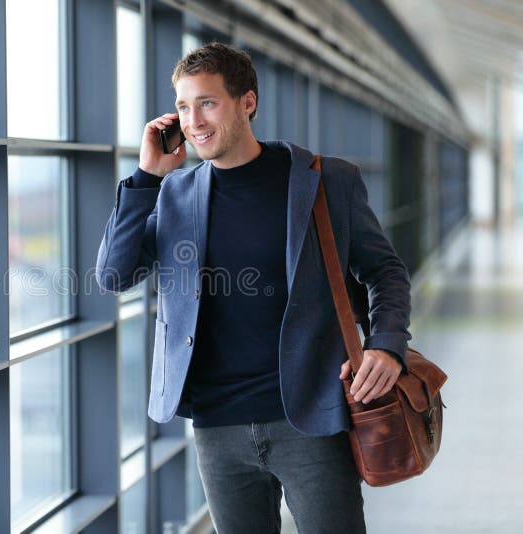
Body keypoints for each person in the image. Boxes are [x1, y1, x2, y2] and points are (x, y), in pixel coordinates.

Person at [96, 42, 411, 533]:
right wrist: (145, 178)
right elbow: (115, 275)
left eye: (207, 102)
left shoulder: (326, 182)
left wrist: (388, 347)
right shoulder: (175, 193)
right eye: (182, 105)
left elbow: (385, 272)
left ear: (248, 102)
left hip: (311, 415)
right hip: (217, 427)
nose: (194, 121)